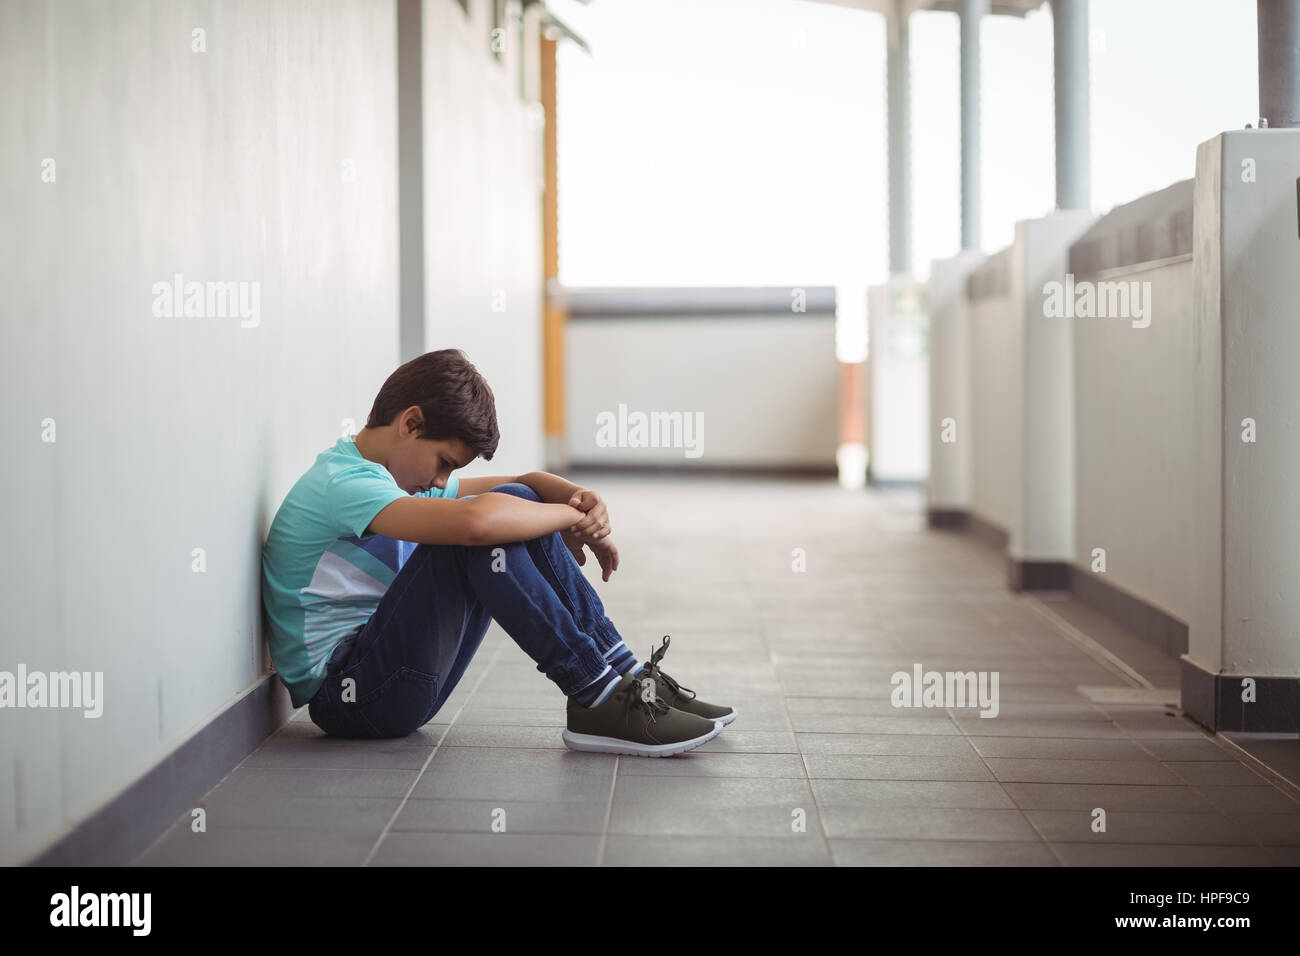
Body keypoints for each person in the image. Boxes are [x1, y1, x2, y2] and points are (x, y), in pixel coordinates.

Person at [261, 348, 735, 756]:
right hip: (349, 697)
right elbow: (476, 523)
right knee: (480, 533)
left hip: (390, 684)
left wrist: (585, 501)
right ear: (411, 423)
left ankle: (626, 679)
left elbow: (526, 485)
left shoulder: (392, 479)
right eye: (444, 463)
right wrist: (572, 520)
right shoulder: (343, 484)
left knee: (515, 504)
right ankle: (596, 694)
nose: (442, 481)